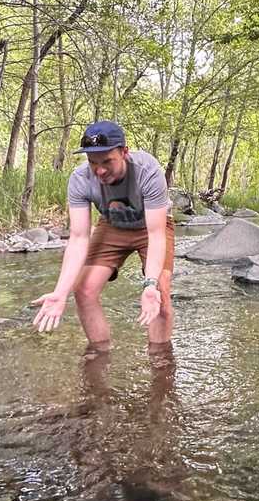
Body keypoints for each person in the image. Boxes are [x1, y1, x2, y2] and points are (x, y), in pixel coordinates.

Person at [31, 120, 175, 355]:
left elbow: (156, 234)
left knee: (160, 292)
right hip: (112, 224)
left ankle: (160, 361)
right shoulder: (79, 179)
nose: (99, 170)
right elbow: (78, 238)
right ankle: (100, 356)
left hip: (151, 226)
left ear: (124, 152)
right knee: (84, 289)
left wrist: (149, 284)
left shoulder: (148, 170)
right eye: (93, 162)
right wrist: (59, 293)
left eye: (107, 161)